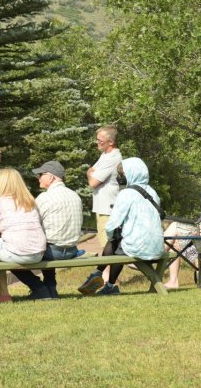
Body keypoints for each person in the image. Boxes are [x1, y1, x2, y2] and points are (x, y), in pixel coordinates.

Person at [89, 157, 164, 296]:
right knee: (118, 243)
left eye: (122, 174)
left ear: (131, 174)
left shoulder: (126, 194)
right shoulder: (153, 192)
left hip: (139, 247)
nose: (120, 177)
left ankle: (100, 276)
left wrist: (112, 237)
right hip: (157, 246)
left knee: (114, 242)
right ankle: (106, 281)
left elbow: (112, 224)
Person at [11, 160, 83, 300]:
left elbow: (31, 224)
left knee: (12, 257)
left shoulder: (44, 198)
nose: (38, 178)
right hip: (71, 250)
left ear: (51, 177)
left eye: (41, 175)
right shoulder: (75, 195)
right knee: (47, 242)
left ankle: (39, 288)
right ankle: (51, 287)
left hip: (52, 251)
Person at [0, 167, 47, 304]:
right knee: (9, 249)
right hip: (38, 252)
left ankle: (3, 293)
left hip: (17, 252)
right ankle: (38, 287)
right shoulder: (30, 200)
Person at [79, 125, 123, 294]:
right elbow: (92, 172)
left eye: (100, 140)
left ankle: (109, 281)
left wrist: (90, 173)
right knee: (105, 242)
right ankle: (106, 279)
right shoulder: (104, 155)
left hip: (108, 207)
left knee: (108, 244)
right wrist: (91, 172)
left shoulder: (113, 157)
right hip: (101, 205)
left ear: (110, 142)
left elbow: (93, 181)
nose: (97, 143)